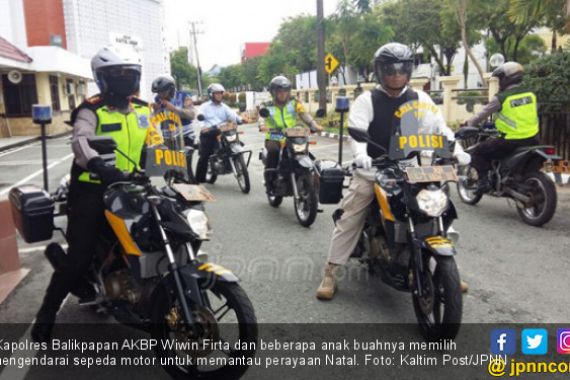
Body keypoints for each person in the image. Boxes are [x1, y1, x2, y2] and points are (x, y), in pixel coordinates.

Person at [315, 43, 471, 301]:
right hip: (373, 169)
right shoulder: (368, 100)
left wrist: (457, 149)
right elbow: (358, 132)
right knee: (351, 215)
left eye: (401, 69)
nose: (396, 75)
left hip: (410, 168)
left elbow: (440, 128)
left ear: (409, 71)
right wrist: (361, 155)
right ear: (380, 71)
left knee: (434, 208)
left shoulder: (421, 99)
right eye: (390, 69)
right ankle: (331, 271)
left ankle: (446, 269)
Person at [31, 46, 156, 343]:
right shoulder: (90, 109)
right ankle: (47, 312)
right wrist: (98, 164)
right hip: (92, 189)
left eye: (130, 74)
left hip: (130, 185)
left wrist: (172, 160)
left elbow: (151, 142)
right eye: (117, 74)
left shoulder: (142, 108)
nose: (125, 80)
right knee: (78, 256)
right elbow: (81, 141)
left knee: (155, 232)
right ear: (103, 78)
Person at [464, 61, 540, 194]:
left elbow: (481, 115)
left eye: (500, 79)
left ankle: (483, 182)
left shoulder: (502, 98)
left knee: (478, 152)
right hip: (532, 138)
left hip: (510, 140)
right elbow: (518, 116)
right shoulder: (530, 94)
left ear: (506, 79)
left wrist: (468, 124)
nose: (499, 82)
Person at [258, 75, 323, 193]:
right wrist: (262, 125)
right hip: (275, 135)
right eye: (279, 91)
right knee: (273, 151)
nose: (283, 94)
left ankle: (312, 186)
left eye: (285, 91)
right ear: (273, 92)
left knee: (304, 151)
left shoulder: (294, 102)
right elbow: (262, 116)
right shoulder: (267, 105)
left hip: (292, 134)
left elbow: (304, 114)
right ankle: (270, 181)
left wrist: (313, 124)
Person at [195, 83, 250, 183]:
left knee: (234, 143)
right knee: (205, 154)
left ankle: (231, 162)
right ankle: (199, 178)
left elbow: (233, 116)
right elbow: (200, 117)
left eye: (220, 93)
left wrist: (241, 119)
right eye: (217, 93)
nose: (219, 95)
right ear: (211, 95)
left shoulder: (224, 107)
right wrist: (203, 126)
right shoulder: (204, 106)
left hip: (223, 131)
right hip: (209, 133)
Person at [151, 74, 196, 180]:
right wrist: (156, 111)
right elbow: (154, 118)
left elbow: (192, 114)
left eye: (163, 92)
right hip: (168, 137)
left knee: (185, 167)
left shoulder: (184, 96)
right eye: (158, 93)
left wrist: (174, 109)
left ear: (171, 89)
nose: (161, 95)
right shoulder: (158, 99)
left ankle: (191, 188)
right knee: (168, 168)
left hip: (185, 136)